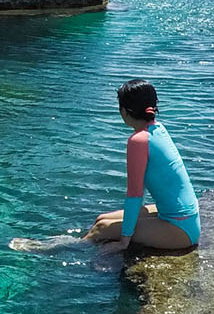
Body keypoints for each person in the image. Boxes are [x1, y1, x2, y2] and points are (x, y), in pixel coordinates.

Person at [83, 79, 200, 251]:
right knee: (102, 219)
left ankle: (56, 249)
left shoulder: (138, 141)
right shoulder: (158, 128)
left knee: (100, 229)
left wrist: (124, 240)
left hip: (180, 229)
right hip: (186, 218)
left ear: (123, 111)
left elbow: (135, 194)